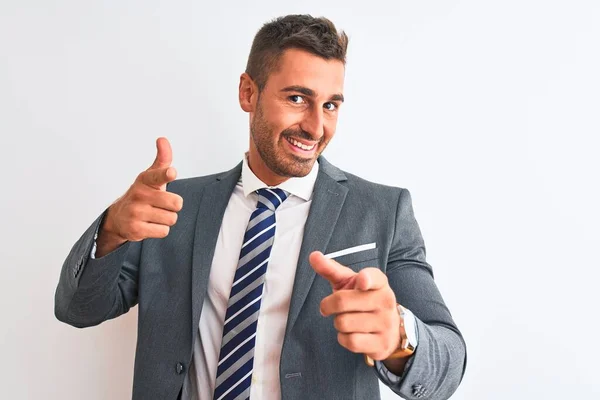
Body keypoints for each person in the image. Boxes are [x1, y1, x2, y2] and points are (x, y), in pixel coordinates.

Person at [55, 14, 466, 400]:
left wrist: (398, 337)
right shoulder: (173, 206)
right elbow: (77, 309)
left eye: (330, 105)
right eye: (297, 98)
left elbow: (447, 362)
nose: (316, 126)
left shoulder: (383, 210)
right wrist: (111, 231)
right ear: (248, 93)